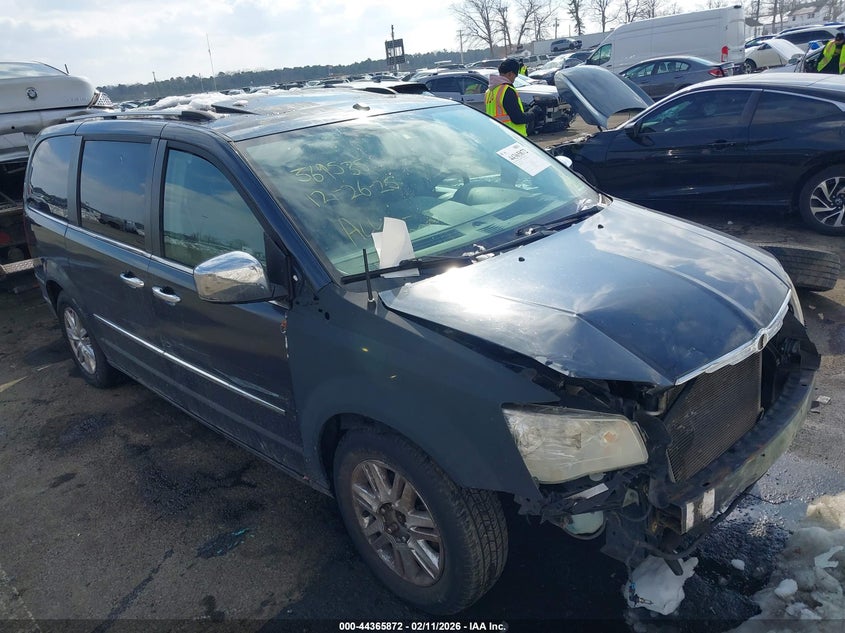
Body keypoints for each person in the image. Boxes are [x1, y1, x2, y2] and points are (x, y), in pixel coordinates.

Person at [485, 58, 541, 137]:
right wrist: (533, 112)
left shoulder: (489, 91)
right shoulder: (507, 90)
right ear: (510, 73)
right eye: (515, 76)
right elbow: (518, 119)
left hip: (498, 135)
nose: (514, 79)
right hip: (513, 137)